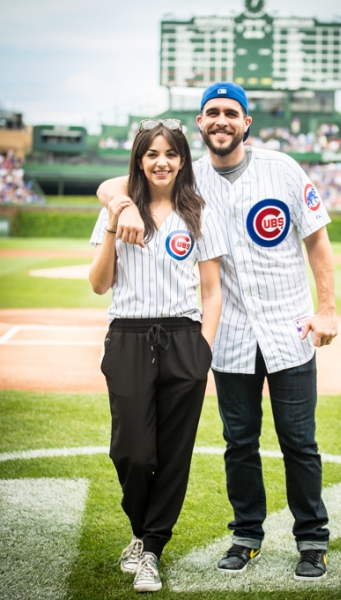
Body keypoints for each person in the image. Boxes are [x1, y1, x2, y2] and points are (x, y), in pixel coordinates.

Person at [97, 82, 338, 582]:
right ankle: (246, 535)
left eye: (232, 112)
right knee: (240, 442)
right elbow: (117, 184)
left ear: (246, 122)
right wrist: (118, 204)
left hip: (288, 327)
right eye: (212, 113)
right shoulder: (189, 179)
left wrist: (328, 308)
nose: (222, 120)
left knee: (299, 441)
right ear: (201, 123)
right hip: (229, 338)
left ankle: (312, 539)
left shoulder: (284, 169)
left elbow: (317, 240)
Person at [89, 119, 226, 593]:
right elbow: (99, 283)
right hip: (127, 337)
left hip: (184, 339)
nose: (161, 161)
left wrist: (202, 350)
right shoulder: (118, 208)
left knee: (173, 456)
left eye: (170, 153)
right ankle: (140, 531)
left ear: (183, 160)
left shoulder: (199, 213)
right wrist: (113, 219)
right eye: (152, 154)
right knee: (130, 451)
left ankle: (151, 549)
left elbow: (212, 291)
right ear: (140, 159)